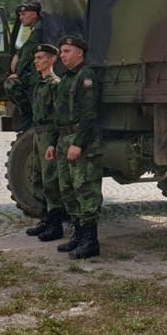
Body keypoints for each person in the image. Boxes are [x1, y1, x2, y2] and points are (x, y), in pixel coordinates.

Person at [53, 34, 102, 259]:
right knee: (67, 188)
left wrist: (78, 143)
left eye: (67, 51)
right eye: (61, 52)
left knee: (85, 189)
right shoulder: (66, 78)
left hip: (79, 139)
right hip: (64, 139)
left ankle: (91, 242)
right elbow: (60, 114)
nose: (62, 55)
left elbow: (89, 114)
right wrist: (55, 143)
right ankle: (78, 235)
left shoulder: (86, 76)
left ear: (79, 53)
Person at [24, 43, 65, 241]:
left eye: (40, 58)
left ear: (51, 60)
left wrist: (53, 142)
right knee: (38, 176)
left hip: (49, 134)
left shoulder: (55, 84)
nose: (36, 61)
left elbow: (60, 117)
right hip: (38, 133)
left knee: (51, 179)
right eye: (36, 58)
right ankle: (45, 219)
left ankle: (56, 225)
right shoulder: (40, 84)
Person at [4, 1, 43, 130]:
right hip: (35, 73)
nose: (21, 18)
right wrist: (17, 54)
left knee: (12, 85)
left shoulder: (38, 30)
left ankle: (29, 118)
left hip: (35, 76)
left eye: (23, 14)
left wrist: (18, 74)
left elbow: (28, 53)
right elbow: (26, 48)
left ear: (34, 14)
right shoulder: (37, 28)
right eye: (20, 15)